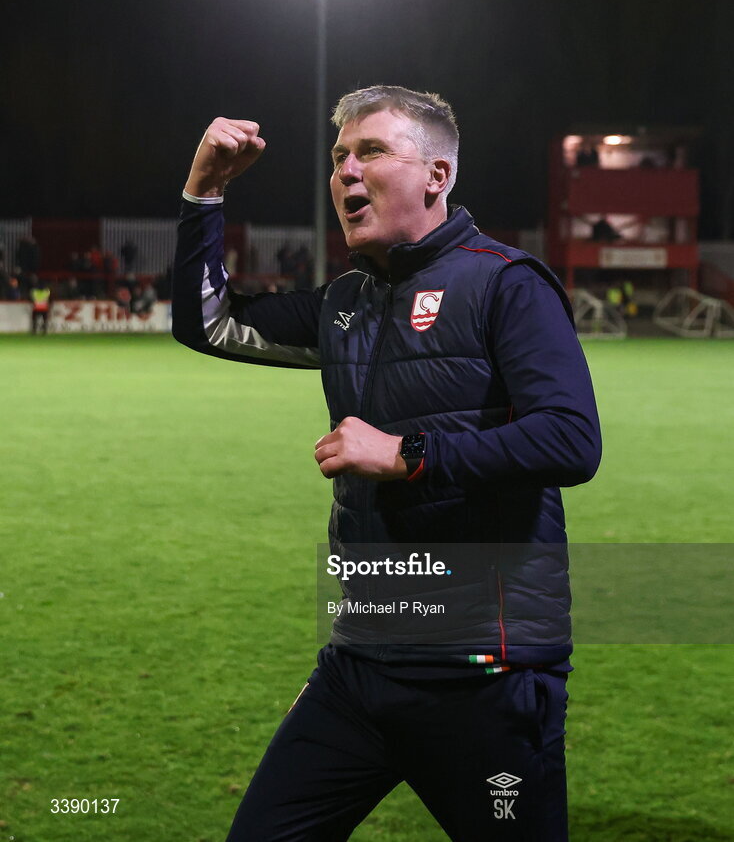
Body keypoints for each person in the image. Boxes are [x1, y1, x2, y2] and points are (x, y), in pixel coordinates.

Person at [172, 86, 602, 841]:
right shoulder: (344, 301)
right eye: (339, 156)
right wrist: (204, 191)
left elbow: (571, 439)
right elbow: (207, 321)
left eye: (370, 151)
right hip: (361, 662)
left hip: (484, 676)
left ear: (437, 174)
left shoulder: (507, 282)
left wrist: (407, 455)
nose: (345, 172)